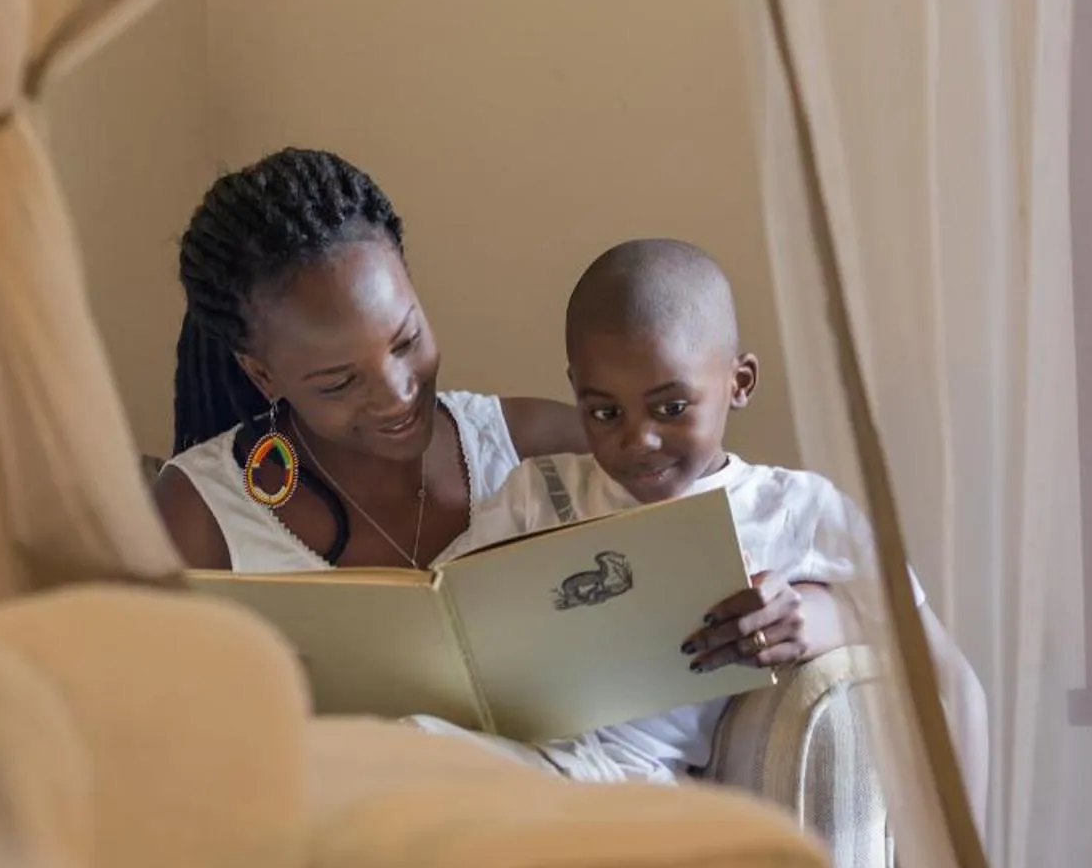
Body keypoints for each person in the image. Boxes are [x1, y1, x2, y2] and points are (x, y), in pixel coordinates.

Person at [438, 238, 889, 784]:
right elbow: (444, 620)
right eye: (604, 411)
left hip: (627, 783)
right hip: (502, 751)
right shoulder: (537, 491)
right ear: (575, 392)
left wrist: (822, 618)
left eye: (671, 408)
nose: (638, 440)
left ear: (738, 382)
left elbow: (935, 661)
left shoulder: (791, 509)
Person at [154, 148, 586, 573]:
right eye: (340, 382)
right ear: (263, 375)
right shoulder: (200, 516)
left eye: (406, 341)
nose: (397, 396)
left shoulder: (542, 451)